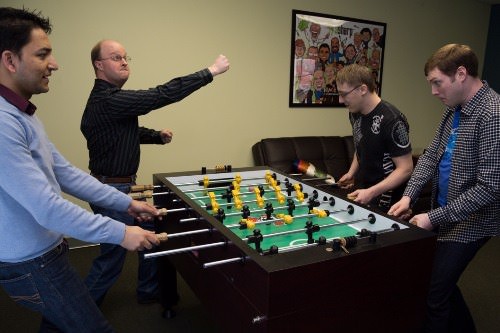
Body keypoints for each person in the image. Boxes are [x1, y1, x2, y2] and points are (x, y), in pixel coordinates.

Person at [0, 7, 161, 332]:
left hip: (46, 252)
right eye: (43, 54)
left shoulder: (23, 114)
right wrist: (121, 232)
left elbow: (65, 173)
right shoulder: (3, 122)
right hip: (33, 264)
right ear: (10, 60)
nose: (55, 64)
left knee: (59, 326)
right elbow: (46, 206)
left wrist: (126, 203)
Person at [80, 39, 229, 317]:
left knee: (149, 237)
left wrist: (155, 137)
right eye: (115, 58)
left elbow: (122, 133)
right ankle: (79, 313)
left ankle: (148, 291)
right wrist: (210, 72)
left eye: (126, 57)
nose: (124, 62)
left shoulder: (111, 103)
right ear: (99, 65)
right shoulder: (108, 100)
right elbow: (161, 94)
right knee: (111, 258)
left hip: (121, 186)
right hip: (112, 191)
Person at [388, 43, 500, 332]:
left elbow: (488, 188)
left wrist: (431, 218)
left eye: (437, 83)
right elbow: (429, 157)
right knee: (439, 284)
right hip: (446, 211)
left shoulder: (493, 114)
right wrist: (410, 195)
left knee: (433, 293)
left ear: (461, 74)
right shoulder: (453, 110)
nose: (434, 91)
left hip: (474, 222)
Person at [336, 64, 413, 213]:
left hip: (389, 201)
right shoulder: (354, 112)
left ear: (363, 89)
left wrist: (371, 192)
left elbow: (405, 169)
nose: (340, 100)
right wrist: (351, 173)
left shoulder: (392, 120)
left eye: (344, 94)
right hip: (364, 192)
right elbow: (361, 143)